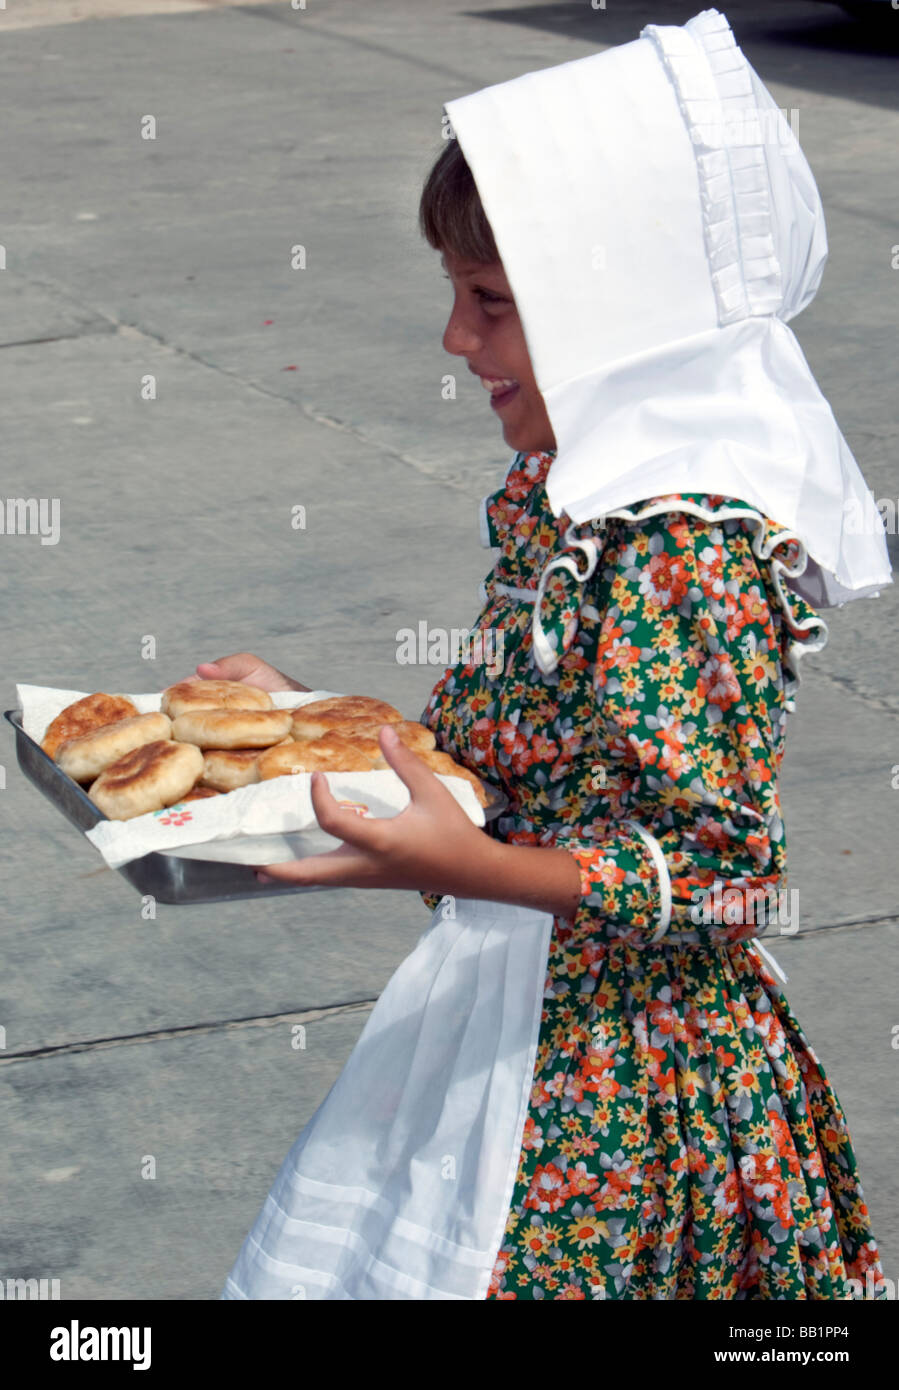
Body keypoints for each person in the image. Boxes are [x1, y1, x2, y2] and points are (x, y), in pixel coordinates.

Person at [213, 9, 891, 1298]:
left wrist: (464, 862)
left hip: (623, 1097)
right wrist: (316, 726)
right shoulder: (570, 503)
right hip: (509, 1029)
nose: (457, 342)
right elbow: (511, 774)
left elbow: (724, 874)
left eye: (491, 304)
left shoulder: (682, 549)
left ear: (621, 313)